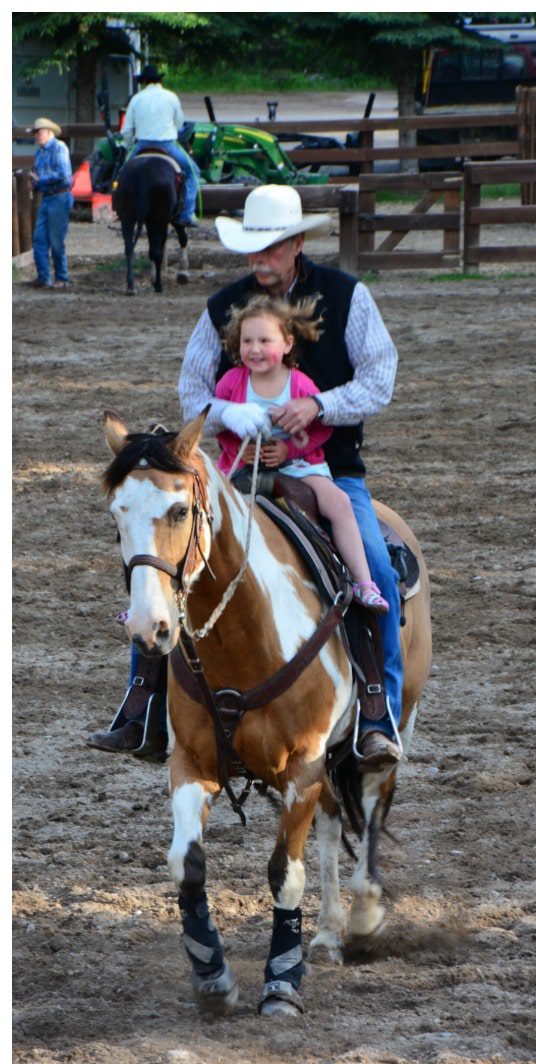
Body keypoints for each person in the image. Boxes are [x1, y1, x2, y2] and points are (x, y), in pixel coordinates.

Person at [88, 184, 404, 765]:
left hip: (325, 467)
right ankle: (142, 706)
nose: (260, 260)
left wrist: (318, 407)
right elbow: (191, 387)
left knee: (378, 568)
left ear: (297, 244)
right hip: (237, 471)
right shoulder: (223, 308)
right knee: (169, 559)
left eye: (271, 248)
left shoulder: (347, 296)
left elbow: (380, 378)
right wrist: (226, 412)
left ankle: (377, 712)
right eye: (253, 249)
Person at [215, 291, 390, 612]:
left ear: (287, 344)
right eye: (247, 341)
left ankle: (364, 582)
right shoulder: (231, 382)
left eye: (264, 341)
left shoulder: (300, 385)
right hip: (241, 467)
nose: (254, 349)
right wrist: (240, 449)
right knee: (204, 512)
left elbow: (321, 428)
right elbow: (220, 424)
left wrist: (288, 451)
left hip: (300, 468)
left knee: (338, 503)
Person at [120, 63, 200, 226]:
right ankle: (186, 213)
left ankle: (124, 210)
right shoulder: (171, 97)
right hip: (168, 145)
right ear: (159, 81)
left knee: (122, 174)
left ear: (144, 82)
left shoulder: (136, 99)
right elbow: (179, 124)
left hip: (142, 145)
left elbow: (127, 131)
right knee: (193, 172)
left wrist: (129, 146)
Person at [27, 118, 74, 288]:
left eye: (38, 132)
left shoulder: (59, 147)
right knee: (39, 238)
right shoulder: (39, 153)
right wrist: (35, 183)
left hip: (59, 197)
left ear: (48, 132)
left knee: (55, 239)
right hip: (48, 197)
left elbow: (63, 173)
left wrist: (40, 179)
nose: (36, 136)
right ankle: (44, 276)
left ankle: (61, 277)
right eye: (36, 133)